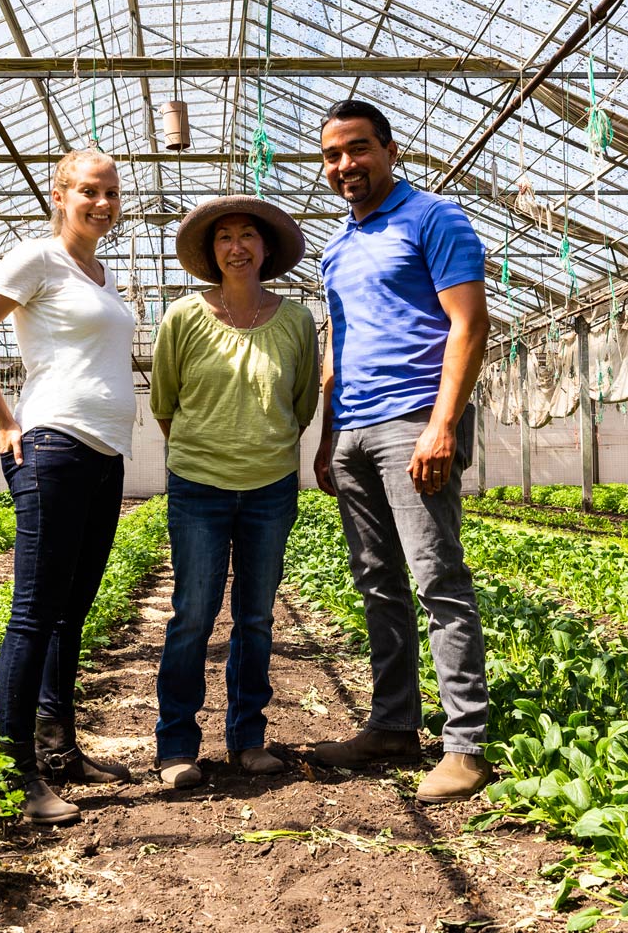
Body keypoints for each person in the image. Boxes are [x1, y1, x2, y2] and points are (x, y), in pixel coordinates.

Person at [310, 100, 492, 804]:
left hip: (413, 423)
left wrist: (442, 425)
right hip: (354, 430)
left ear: (389, 149)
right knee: (376, 582)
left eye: (358, 149)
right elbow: (338, 350)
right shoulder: (335, 249)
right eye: (332, 155)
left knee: (436, 579)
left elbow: (469, 323)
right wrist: (329, 438)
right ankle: (391, 725)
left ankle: (465, 745)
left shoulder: (434, 219)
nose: (345, 165)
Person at [0, 149, 135, 826]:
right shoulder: (38, 257)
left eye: (111, 192)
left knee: (70, 612)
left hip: (103, 455)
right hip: (51, 446)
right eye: (89, 191)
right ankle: (15, 770)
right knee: (34, 612)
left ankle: (60, 752)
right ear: (61, 194)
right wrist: (6, 419)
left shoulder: (101, 273)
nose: (103, 203)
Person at [150, 196, 318, 789]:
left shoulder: (297, 321)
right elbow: (165, 404)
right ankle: (176, 746)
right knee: (192, 614)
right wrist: (208, 450)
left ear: (267, 249)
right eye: (225, 237)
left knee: (254, 617)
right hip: (198, 485)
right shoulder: (183, 318)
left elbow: (301, 405)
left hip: (270, 487)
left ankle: (248, 739)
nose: (237, 246)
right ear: (211, 252)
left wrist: (259, 448)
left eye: (249, 235)